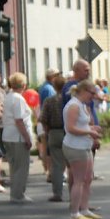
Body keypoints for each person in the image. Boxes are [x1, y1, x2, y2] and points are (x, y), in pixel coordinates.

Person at [63, 79, 102, 219]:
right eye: (92, 93)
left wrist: (92, 129)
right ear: (84, 91)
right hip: (75, 146)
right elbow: (71, 128)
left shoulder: (81, 105)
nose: (93, 96)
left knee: (87, 179)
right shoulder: (73, 106)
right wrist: (90, 132)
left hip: (84, 145)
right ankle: (75, 212)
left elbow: (82, 125)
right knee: (78, 180)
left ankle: (85, 209)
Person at [4, 73, 34, 203]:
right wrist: (27, 138)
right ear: (23, 85)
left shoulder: (9, 96)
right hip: (18, 137)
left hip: (9, 135)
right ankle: (18, 194)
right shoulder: (18, 99)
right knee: (22, 166)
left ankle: (15, 193)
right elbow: (19, 120)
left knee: (14, 166)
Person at [40, 74, 67, 202]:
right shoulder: (69, 100)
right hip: (69, 133)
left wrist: (47, 131)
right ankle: (75, 194)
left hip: (54, 132)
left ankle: (57, 193)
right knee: (72, 164)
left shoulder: (49, 101)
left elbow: (43, 119)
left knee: (56, 164)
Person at [37, 68, 60, 183]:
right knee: (50, 150)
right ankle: (50, 172)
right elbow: (50, 108)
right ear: (52, 76)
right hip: (50, 124)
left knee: (48, 148)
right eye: (57, 75)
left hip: (46, 123)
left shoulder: (44, 87)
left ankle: (49, 171)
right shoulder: (49, 89)